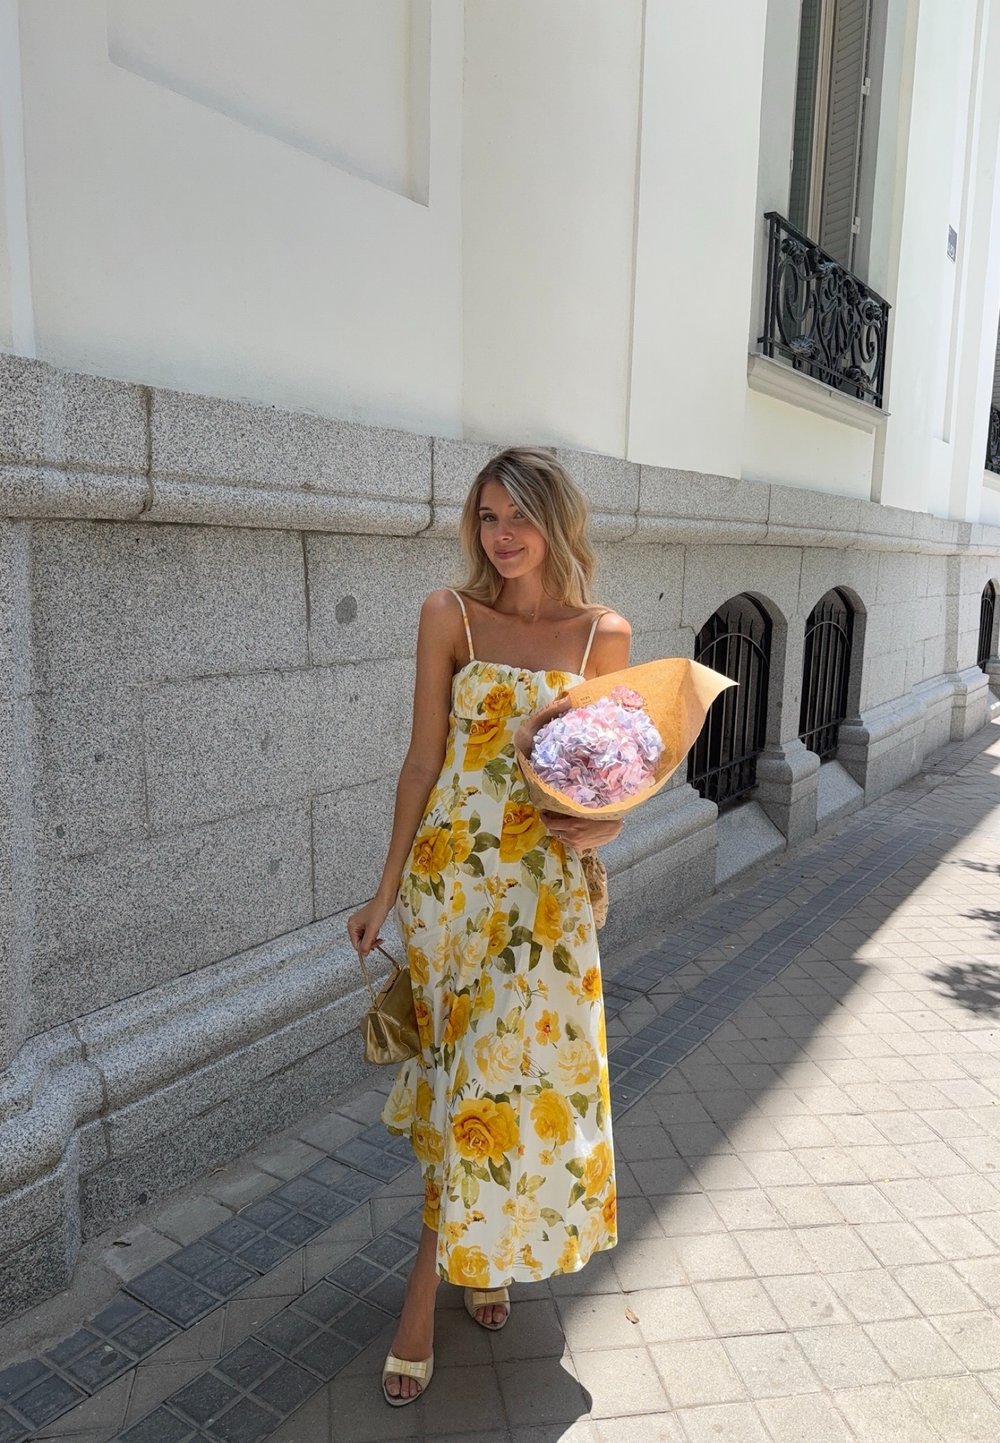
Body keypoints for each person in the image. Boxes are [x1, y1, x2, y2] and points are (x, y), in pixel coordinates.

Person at [347, 447, 631, 1406]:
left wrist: (603, 825)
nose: (501, 535)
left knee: (518, 1082)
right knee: (467, 1084)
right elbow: (422, 760)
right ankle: (428, 1292)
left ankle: (483, 1254)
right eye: (486, 516)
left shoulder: (603, 635)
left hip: (546, 902)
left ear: (558, 520)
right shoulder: (450, 615)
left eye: (520, 516)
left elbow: (609, 784)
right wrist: (384, 892)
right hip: (452, 895)